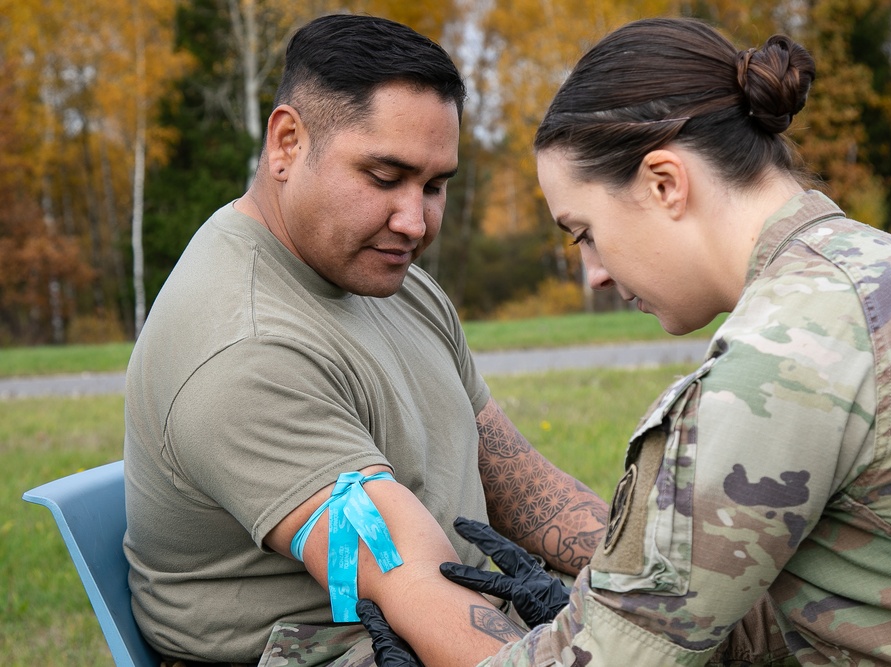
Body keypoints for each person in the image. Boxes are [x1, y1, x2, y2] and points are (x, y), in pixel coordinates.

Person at [359, 15, 891, 666]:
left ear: (665, 183)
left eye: (584, 231)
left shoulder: (786, 351)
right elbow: (843, 604)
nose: (596, 272)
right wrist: (594, 609)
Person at [122, 13, 608, 667]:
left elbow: (513, 476)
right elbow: (410, 581)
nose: (414, 221)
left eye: (435, 186)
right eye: (384, 177)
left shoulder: (387, 278)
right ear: (288, 143)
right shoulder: (248, 348)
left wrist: (658, 578)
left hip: (449, 622)